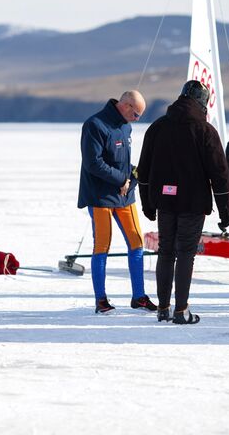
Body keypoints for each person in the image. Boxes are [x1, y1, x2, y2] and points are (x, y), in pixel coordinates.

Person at [136, 81, 229, 324]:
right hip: (192, 203)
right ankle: (181, 310)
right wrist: (226, 210)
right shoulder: (205, 130)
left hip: (164, 202)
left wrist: (148, 203)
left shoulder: (157, 127)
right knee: (185, 254)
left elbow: (144, 170)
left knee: (166, 252)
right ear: (202, 102)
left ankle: (163, 308)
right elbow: (220, 174)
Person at [77, 90, 156, 314]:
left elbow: (122, 161)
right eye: (137, 114)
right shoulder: (95, 125)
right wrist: (121, 178)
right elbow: (93, 163)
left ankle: (139, 297)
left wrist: (133, 176)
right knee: (102, 245)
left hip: (124, 195)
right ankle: (101, 299)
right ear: (127, 106)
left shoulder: (126, 126)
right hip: (100, 195)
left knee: (136, 242)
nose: (137, 119)